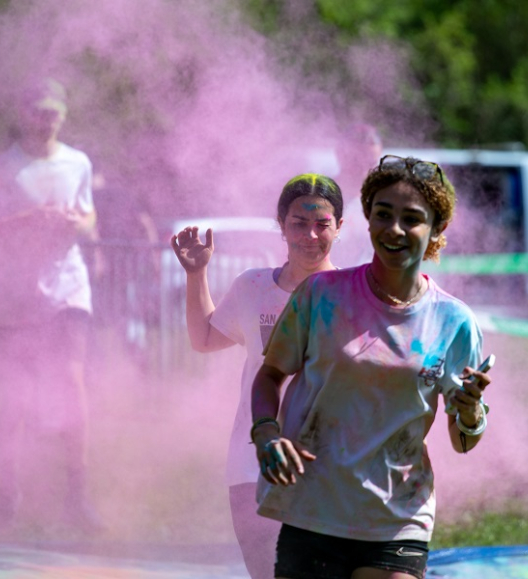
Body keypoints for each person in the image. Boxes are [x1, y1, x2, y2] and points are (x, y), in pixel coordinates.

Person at [250, 156, 493, 579]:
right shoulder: (321, 295)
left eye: (412, 219)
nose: (394, 229)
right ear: (367, 219)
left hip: (398, 517)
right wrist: (266, 435)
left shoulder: (455, 323)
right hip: (313, 508)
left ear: (437, 230)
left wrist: (471, 412)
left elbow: (463, 439)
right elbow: (270, 374)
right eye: (383, 214)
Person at [170, 174, 343, 579]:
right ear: (281, 225)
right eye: (299, 223)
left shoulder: (352, 294)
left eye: (322, 223)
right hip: (254, 462)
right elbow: (206, 338)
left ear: (339, 226)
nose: (311, 235)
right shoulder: (252, 287)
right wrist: (197, 275)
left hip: (331, 466)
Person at [0, 77, 102, 530]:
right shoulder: (1, 169)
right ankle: (7, 493)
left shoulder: (78, 162)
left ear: (63, 115)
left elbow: (89, 216)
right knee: (15, 396)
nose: (45, 121)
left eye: (52, 113)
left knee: (71, 378)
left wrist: (74, 224)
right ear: (22, 114)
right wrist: (28, 219)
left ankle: (78, 494)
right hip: (15, 292)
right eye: (37, 112)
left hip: (67, 285)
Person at [328, 123, 384, 268]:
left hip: (369, 286)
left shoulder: (384, 199)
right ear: (340, 153)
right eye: (357, 161)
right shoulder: (320, 195)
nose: (365, 169)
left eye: (371, 162)